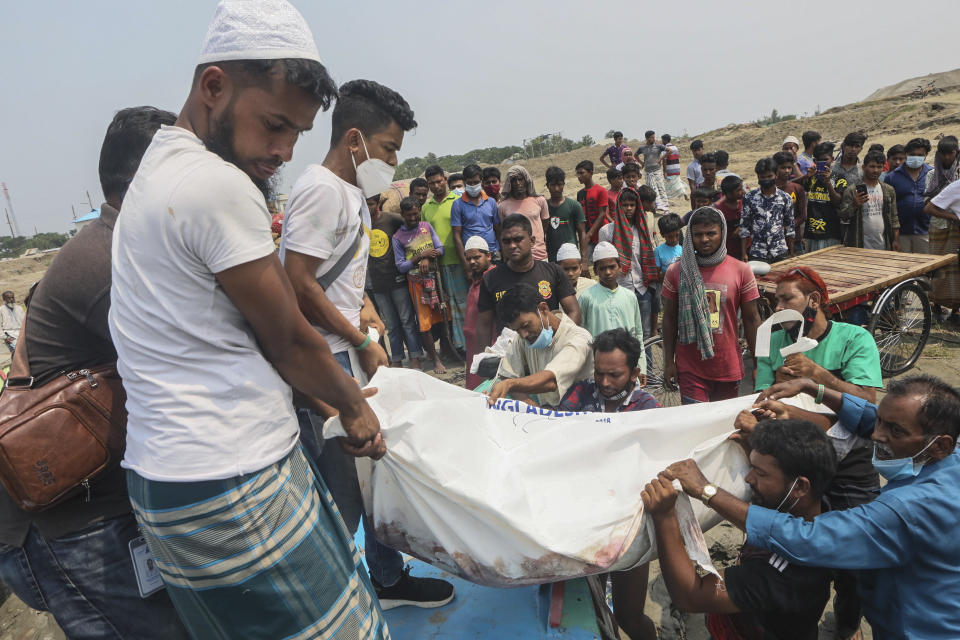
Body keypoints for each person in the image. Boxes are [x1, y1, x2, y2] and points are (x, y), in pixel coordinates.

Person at [109, 3, 393, 637]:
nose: (283, 151)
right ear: (214, 86)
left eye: (296, 132)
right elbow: (289, 336)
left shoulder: (159, 166)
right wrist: (352, 406)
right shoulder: (217, 184)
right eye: (274, 125)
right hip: (232, 482)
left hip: (170, 480)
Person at [0, 107, 188, 640]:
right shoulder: (110, 262)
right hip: (72, 528)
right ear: (150, 178)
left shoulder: (121, 249)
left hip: (91, 509)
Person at [277, 76, 454, 614]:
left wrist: (370, 323)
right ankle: (331, 598)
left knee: (372, 470)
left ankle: (386, 575)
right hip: (323, 358)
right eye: (388, 149)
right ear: (354, 140)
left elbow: (342, 282)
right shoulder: (321, 190)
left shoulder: (350, 194)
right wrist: (358, 337)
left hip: (347, 348)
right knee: (343, 488)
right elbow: (297, 282)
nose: (393, 162)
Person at [744, 374, 960, 638]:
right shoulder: (949, 452)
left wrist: (706, 491)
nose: (877, 435)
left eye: (895, 431)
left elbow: (808, 538)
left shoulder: (909, 508)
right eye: (881, 422)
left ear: (940, 445)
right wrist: (814, 388)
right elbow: (870, 416)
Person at [753, 266, 883, 637]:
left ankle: (845, 625)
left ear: (813, 302)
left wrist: (817, 376)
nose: (778, 307)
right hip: (795, 460)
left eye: (786, 299)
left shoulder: (854, 338)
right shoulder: (773, 341)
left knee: (853, 564)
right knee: (787, 557)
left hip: (849, 464)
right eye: (775, 300)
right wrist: (777, 386)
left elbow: (868, 404)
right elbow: (760, 399)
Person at [644, 420, 836, 640]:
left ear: (800, 486)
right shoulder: (820, 510)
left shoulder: (781, 571)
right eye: (751, 465)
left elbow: (691, 595)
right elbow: (764, 511)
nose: (748, 477)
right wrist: (753, 452)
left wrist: (665, 517)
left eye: (760, 473)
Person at [555, 328, 659, 640]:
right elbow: (556, 442)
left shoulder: (647, 408)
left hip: (628, 526)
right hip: (584, 520)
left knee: (630, 615)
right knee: (597, 609)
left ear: (635, 372)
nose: (604, 383)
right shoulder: (579, 394)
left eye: (614, 375)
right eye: (599, 373)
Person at [661, 207, 761, 404]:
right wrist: (668, 362)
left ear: (722, 233)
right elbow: (669, 318)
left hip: (727, 364)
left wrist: (760, 363)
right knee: (694, 427)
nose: (704, 239)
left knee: (721, 429)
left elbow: (752, 319)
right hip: (690, 366)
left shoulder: (741, 270)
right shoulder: (676, 271)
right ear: (690, 236)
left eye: (711, 233)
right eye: (698, 234)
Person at [475, 215, 580, 351]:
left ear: (532, 241)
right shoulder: (490, 279)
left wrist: (560, 341)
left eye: (518, 239)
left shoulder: (553, 271)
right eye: (506, 241)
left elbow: (573, 310)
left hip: (548, 349)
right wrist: (484, 359)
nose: (512, 245)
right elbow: (484, 325)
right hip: (511, 355)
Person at [487, 283, 593, 407]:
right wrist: (533, 408)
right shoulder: (523, 337)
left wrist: (511, 384)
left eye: (526, 325)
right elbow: (508, 375)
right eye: (517, 330)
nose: (523, 335)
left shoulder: (578, 338)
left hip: (583, 416)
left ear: (543, 309)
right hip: (548, 414)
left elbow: (551, 381)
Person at [393, 197, 450, 374]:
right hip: (416, 284)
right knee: (425, 323)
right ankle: (435, 359)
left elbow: (440, 248)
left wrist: (427, 257)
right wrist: (418, 258)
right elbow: (401, 266)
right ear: (402, 214)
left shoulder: (426, 226)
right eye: (409, 215)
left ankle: (448, 350)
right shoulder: (398, 237)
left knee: (444, 316)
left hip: (436, 278)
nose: (413, 218)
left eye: (416, 214)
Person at [368, 194, 423, 369]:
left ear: (377, 204)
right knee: (390, 324)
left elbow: (413, 225)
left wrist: (415, 254)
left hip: (397, 278)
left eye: (371, 204)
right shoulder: (360, 224)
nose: (368, 208)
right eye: (365, 204)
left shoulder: (390, 219)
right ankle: (397, 358)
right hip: (377, 282)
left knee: (407, 320)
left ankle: (415, 356)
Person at [598, 188, 659, 340]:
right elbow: (602, 262)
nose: (629, 209)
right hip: (618, 290)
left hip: (641, 288)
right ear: (619, 206)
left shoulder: (643, 229)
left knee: (644, 333)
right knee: (621, 334)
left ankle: (646, 364)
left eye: (632, 205)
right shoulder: (607, 231)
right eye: (625, 205)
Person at [578, 243, 646, 373]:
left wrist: (641, 367)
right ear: (596, 270)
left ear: (620, 267)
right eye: (602, 268)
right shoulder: (586, 297)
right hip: (598, 369)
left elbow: (638, 333)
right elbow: (580, 335)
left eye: (612, 267)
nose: (608, 272)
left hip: (627, 365)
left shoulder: (630, 296)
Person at [422, 164, 468, 354]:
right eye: (432, 183)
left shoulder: (457, 200)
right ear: (428, 185)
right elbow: (424, 236)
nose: (437, 186)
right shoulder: (426, 207)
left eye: (439, 181)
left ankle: (471, 344)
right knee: (450, 308)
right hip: (439, 266)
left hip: (460, 261)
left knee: (465, 304)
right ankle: (458, 347)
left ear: (445, 181)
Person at [924, 136, 960, 322]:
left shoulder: (958, 174)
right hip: (938, 225)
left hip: (955, 230)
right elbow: (927, 202)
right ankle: (936, 304)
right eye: (943, 153)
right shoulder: (932, 174)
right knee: (939, 268)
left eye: (951, 153)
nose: (947, 157)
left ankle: (955, 310)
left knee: (955, 270)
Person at [839, 150, 900, 251]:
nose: (875, 170)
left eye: (879, 167)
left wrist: (896, 240)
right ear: (864, 167)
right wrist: (854, 205)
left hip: (884, 242)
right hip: (859, 243)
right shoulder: (852, 190)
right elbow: (843, 216)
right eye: (872, 166)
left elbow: (894, 217)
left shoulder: (888, 190)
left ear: (883, 168)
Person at [739, 157, 795, 262]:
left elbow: (790, 227)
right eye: (762, 177)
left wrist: (791, 254)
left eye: (769, 176)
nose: (766, 180)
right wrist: (743, 254)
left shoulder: (785, 198)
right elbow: (744, 227)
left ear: (776, 175)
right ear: (758, 177)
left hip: (780, 252)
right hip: (757, 253)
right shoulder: (749, 198)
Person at [884, 137, 932, 254]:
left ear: (926, 155)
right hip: (901, 233)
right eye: (912, 154)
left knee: (925, 267)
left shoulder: (932, 174)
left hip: (926, 231)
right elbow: (887, 207)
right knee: (902, 266)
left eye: (920, 155)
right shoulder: (892, 177)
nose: (916, 157)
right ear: (906, 154)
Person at [452, 163, 501, 269]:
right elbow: (456, 236)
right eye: (470, 183)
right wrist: (465, 264)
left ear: (481, 181)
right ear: (464, 183)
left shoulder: (491, 202)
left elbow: (498, 230)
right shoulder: (457, 205)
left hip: (492, 253)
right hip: (472, 257)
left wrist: (503, 253)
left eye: (476, 182)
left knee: (498, 284)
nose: (473, 185)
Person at [498, 164, 550, 261]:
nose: (517, 183)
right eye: (514, 180)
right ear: (509, 184)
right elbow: (502, 231)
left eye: (520, 179)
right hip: (516, 256)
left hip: (539, 254)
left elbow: (545, 224)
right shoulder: (503, 206)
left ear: (526, 180)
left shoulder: (540, 201)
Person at [802, 141, 847, 251]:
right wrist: (807, 177)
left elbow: (837, 201)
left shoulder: (839, 177)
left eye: (825, 159)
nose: (823, 163)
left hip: (831, 232)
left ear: (832, 159)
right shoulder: (812, 176)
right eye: (819, 160)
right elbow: (804, 189)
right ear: (814, 161)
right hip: (812, 232)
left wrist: (828, 183)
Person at [463, 235, 494, 390]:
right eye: (469, 259)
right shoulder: (476, 279)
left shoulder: (493, 279)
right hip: (473, 346)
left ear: (488, 256)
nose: (472, 262)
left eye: (477, 257)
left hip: (487, 344)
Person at [546, 165, 587, 265]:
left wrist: (584, 261)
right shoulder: (543, 207)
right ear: (547, 185)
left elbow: (582, 233)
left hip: (571, 256)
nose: (556, 188)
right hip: (551, 258)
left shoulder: (574, 206)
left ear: (564, 184)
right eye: (552, 185)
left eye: (559, 184)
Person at [773, 150, 808, 251]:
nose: (787, 171)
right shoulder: (768, 189)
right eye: (783, 168)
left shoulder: (797, 189)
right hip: (773, 240)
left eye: (789, 167)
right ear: (775, 168)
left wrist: (787, 227)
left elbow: (803, 216)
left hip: (794, 239)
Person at [576, 160, 610, 256]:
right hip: (587, 236)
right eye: (577, 173)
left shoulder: (601, 191)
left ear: (591, 173)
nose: (579, 176)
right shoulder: (580, 194)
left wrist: (590, 233)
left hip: (601, 234)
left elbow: (602, 214)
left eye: (582, 173)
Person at [712, 176, 746, 260]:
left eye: (742, 188)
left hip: (747, 247)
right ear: (728, 194)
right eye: (738, 190)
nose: (743, 192)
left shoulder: (745, 203)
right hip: (730, 251)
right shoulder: (720, 210)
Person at [637, 130, 668, 210]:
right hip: (648, 172)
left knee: (661, 188)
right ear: (647, 138)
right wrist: (642, 163)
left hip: (657, 171)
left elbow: (670, 151)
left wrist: (660, 159)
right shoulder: (642, 148)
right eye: (652, 137)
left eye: (654, 137)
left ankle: (665, 207)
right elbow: (635, 155)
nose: (654, 139)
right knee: (652, 189)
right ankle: (655, 206)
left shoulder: (658, 146)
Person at [661, 133, 688, 200]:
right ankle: (684, 192)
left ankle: (666, 197)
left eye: (662, 140)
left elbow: (664, 160)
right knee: (677, 181)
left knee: (669, 183)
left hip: (670, 169)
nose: (662, 142)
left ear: (665, 140)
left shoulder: (665, 148)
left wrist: (664, 171)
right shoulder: (675, 147)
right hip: (677, 168)